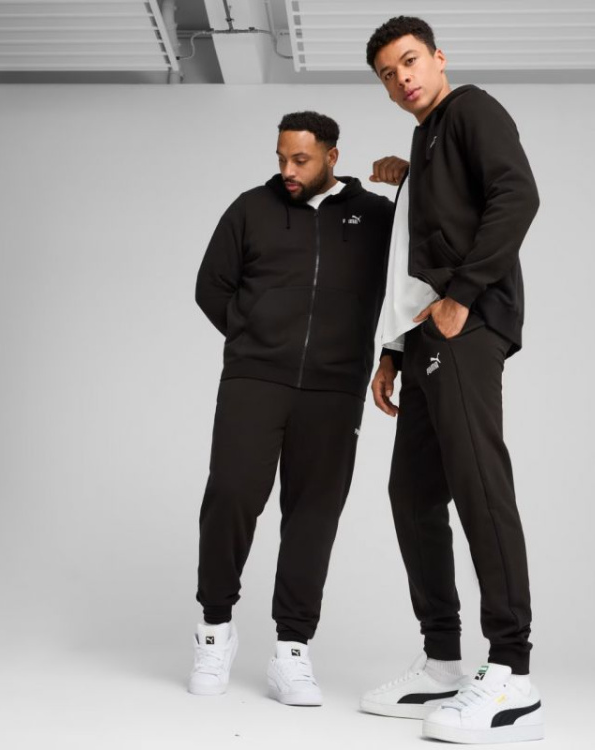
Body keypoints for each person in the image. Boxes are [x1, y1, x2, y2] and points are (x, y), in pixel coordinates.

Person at [359, 16, 544, 744]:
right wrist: (394, 350)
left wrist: (463, 296)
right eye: (388, 73)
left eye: (410, 61)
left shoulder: (470, 108)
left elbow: (516, 195)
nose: (401, 78)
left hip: (467, 327)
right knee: (412, 495)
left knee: (478, 485)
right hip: (425, 338)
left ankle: (513, 672)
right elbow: (421, 250)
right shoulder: (426, 140)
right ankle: (441, 661)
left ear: (438, 57)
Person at [190, 111, 393, 706]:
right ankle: (214, 630)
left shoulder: (376, 218)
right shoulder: (251, 209)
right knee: (231, 495)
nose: (288, 170)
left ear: (332, 156)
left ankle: (292, 650)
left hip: (334, 388)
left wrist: (388, 356)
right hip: (255, 378)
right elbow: (210, 285)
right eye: (281, 157)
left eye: (300, 159)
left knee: (314, 513)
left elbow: (410, 280)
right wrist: (255, 336)